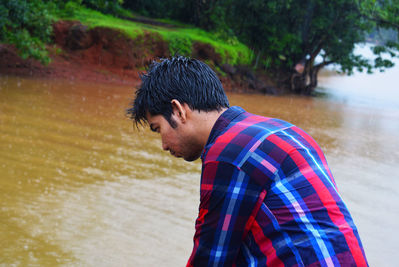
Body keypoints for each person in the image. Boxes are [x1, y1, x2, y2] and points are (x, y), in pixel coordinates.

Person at [127, 56, 368, 266]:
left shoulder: (229, 153)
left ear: (179, 111)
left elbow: (211, 256)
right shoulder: (286, 130)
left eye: (158, 129)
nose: (164, 145)